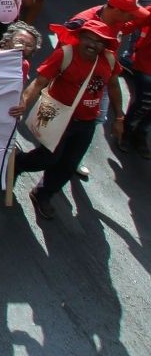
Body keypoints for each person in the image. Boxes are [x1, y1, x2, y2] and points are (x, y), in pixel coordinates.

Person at [12, 17, 127, 221]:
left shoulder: (108, 60)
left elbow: (114, 86)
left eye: (99, 41)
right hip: (56, 115)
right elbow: (39, 83)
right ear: (80, 37)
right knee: (49, 158)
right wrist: (24, 104)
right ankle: (18, 164)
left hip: (87, 122)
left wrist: (119, 116)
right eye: (89, 39)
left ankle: (43, 194)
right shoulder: (64, 55)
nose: (93, 45)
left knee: (69, 163)